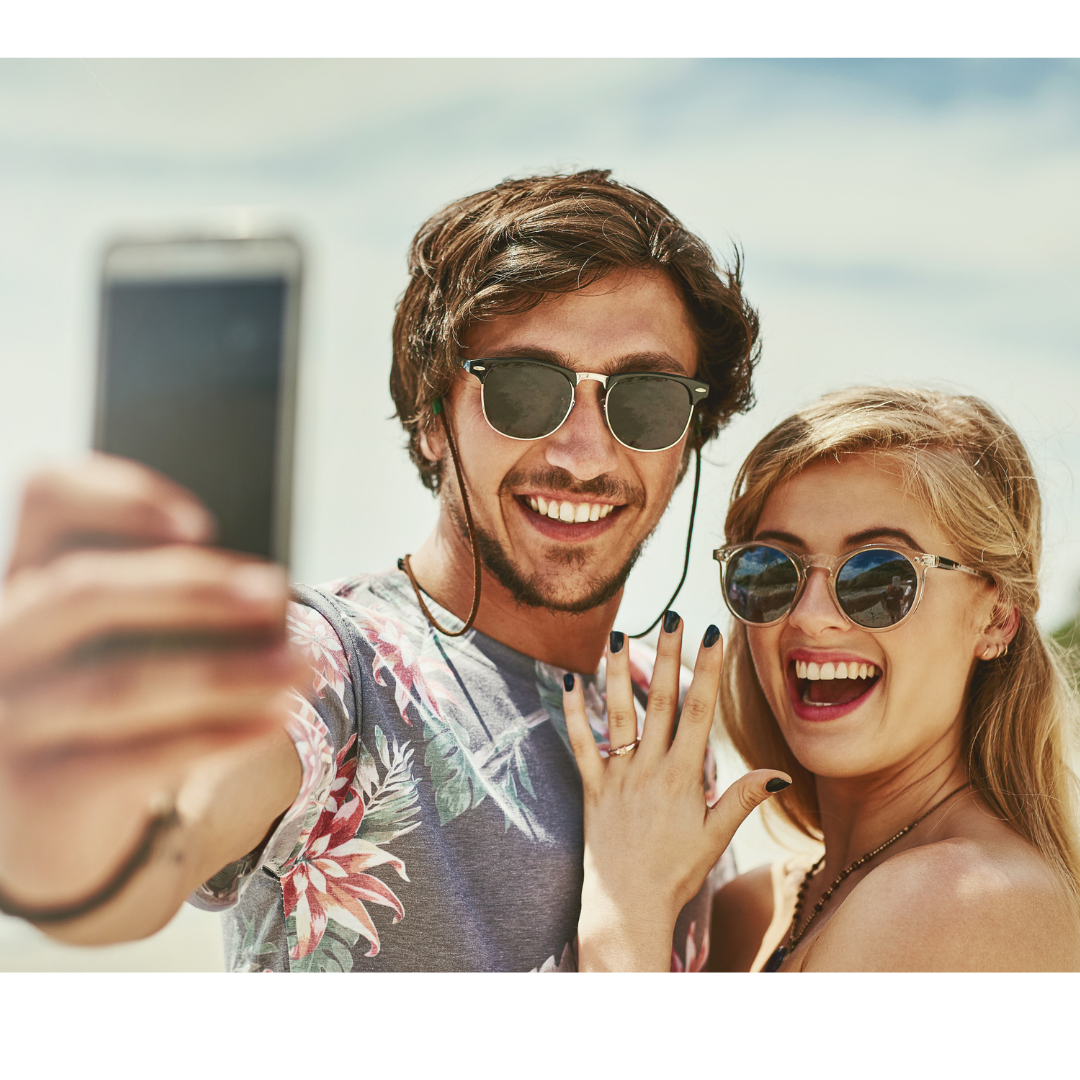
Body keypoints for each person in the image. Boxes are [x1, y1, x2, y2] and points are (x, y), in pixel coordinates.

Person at [0, 169, 786, 972]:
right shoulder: (337, 663)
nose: (583, 455)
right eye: (523, 390)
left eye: (648, 399)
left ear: (689, 437)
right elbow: (163, 837)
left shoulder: (663, 713)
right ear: (431, 422)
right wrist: (49, 810)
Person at [563, 387, 1080, 971]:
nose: (808, 615)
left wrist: (628, 901)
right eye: (770, 571)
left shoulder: (964, 898)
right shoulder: (749, 911)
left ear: (997, 616)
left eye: (879, 577)